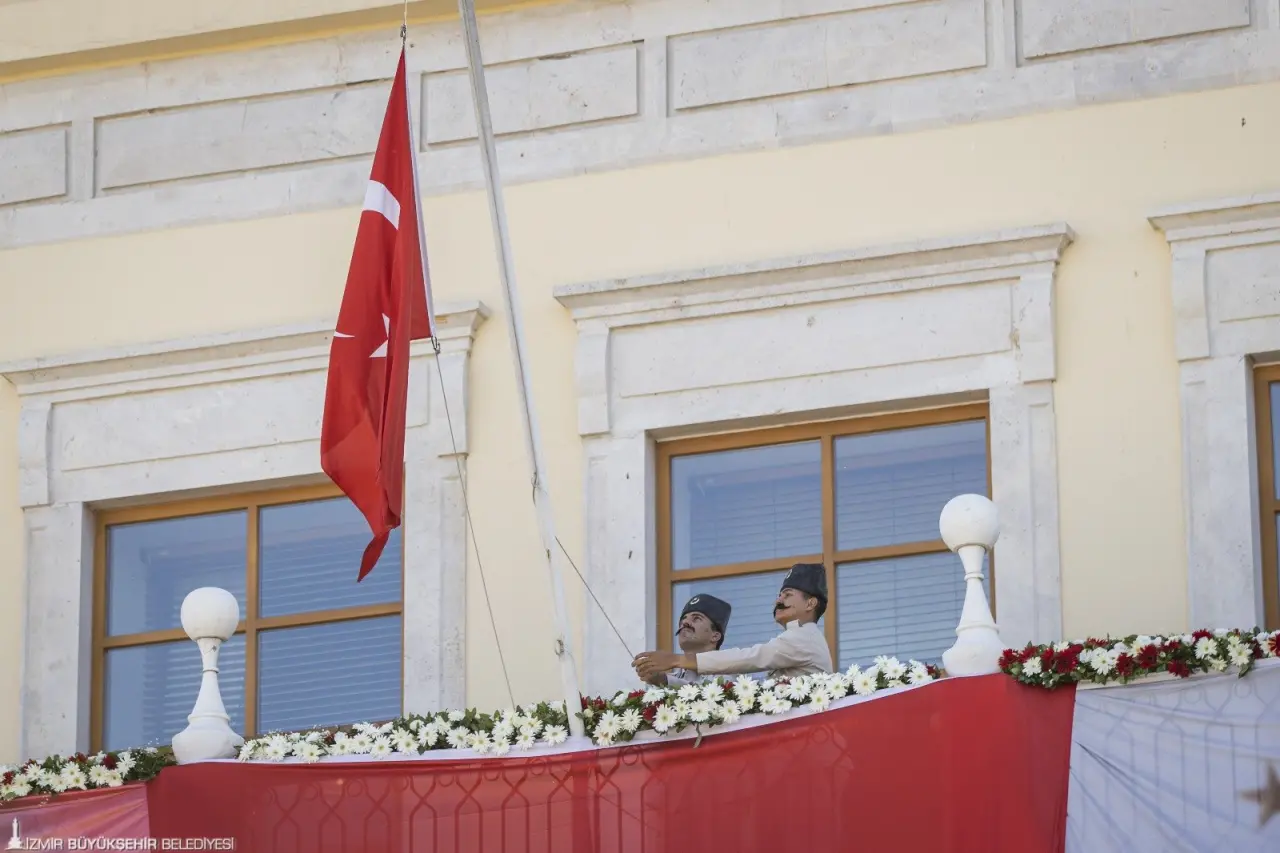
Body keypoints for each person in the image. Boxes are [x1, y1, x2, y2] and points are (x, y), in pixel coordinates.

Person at [633, 563, 833, 682]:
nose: (778, 601)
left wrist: (676, 660)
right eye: (779, 595)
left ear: (810, 603)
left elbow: (752, 657)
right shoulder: (797, 635)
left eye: (787, 595)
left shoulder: (804, 637)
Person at [646, 594, 732, 687]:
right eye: (683, 619)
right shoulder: (664, 681)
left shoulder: (729, 672)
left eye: (696, 618)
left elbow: (708, 695)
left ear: (715, 636)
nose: (685, 623)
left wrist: (667, 681)